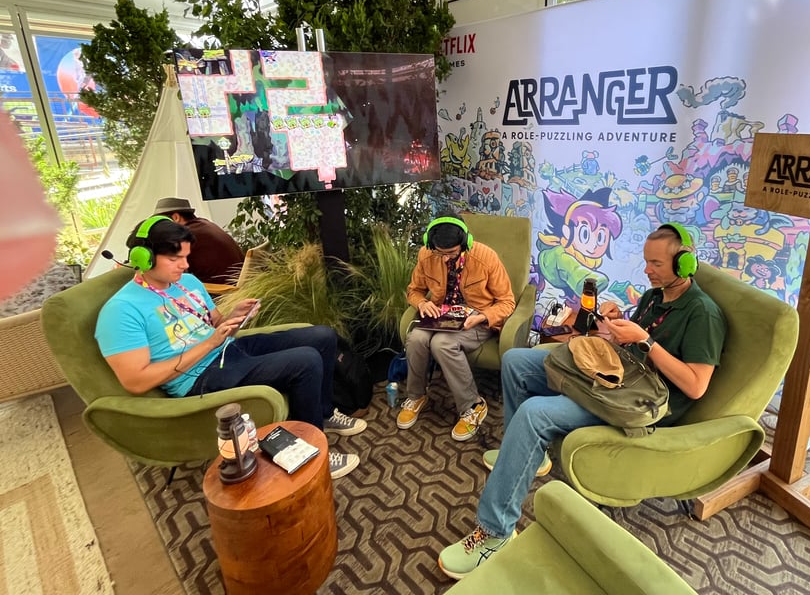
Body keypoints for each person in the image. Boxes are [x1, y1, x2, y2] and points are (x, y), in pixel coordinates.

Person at [437, 222, 727, 579]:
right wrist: (614, 325)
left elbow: (696, 385)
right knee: (515, 361)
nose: (647, 271)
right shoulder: (655, 296)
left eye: (656, 264)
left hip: (639, 405)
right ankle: (528, 454)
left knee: (534, 414)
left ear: (684, 264)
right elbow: (628, 346)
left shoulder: (703, 313)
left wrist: (646, 342)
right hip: (616, 379)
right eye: (646, 262)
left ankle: (495, 531)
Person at [95, 216, 366, 479]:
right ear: (144, 258)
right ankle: (313, 455)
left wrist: (236, 317)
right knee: (305, 360)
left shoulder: (187, 283)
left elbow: (215, 326)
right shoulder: (121, 311)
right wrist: (211, 343)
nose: (184, 266)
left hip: (227, 349)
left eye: (186, 257)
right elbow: (136, 381)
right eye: (174, 259)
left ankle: (324, 413)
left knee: (322, 336)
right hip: (198, 378)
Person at [399, 212, 516, 441]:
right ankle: (416, 395)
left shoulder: (486, 257)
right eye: (439, 253)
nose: (444, 259)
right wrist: (422, 303)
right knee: (416, 338)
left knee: (442, 343)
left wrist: (483, 317)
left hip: (477, 320)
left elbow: (507, 302)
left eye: (451, 253)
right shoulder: (426, 254)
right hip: (441, 315)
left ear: (465, 244)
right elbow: (414, 290)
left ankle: (472, 405)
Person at [153, 197, 245, 284]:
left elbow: (169, 273)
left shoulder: (184, 235)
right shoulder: (204, 224)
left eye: (162, 221)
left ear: (176, 217)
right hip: (241, 286)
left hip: (222, 291)